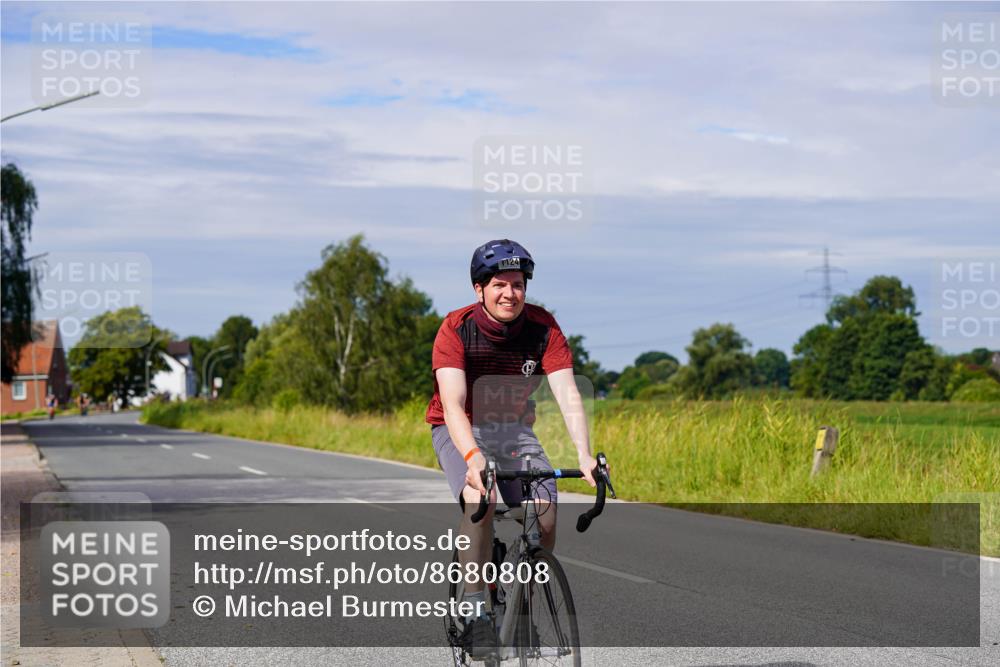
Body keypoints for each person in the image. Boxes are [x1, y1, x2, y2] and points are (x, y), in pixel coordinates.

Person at [426, 239, 597, 658]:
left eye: (518, 284)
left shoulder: (544, 328)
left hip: (515, 430)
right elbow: (452, 404)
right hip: (461, 427)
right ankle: (476, 611)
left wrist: (585, 456)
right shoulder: (456, 327)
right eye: (499, 284)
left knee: (546, 513)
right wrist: (473, 459)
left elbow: (568, 394)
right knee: (479, 497)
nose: (510, 293)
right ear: (479, 289)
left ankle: (523, 607)